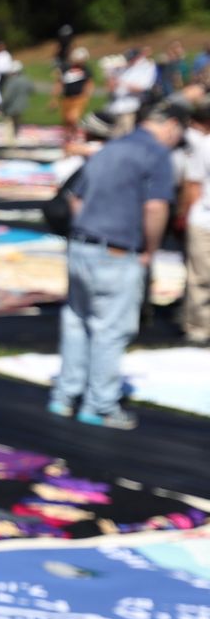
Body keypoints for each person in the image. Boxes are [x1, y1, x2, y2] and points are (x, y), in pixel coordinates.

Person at [52, 104, 183, 430]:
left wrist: (87, 226)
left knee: (77, 322)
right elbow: (155, 208)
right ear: (170, 125)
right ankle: (100, 404)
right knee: (110, 329)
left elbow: (75, 197)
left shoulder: (110, 149)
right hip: (117, 249)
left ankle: (65, 396)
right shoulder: (156, 155)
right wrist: (150, 249)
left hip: (81, 244)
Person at [181, 102, 210, 346]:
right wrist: (187, 214)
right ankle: (199, 326)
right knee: (201, 275)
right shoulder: (205, 145)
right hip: (205, 219)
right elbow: (193, 183)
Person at [60, 47, 95, 141]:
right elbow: (60, 82)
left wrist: (87, 96)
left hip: (79, 98)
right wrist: (54, 97)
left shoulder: (86, 70)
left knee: (73, 118)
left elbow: (89, 84)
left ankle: (74, 134)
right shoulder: (66, 68)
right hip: (67, 97)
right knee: (67, 119)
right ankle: (68, 135)